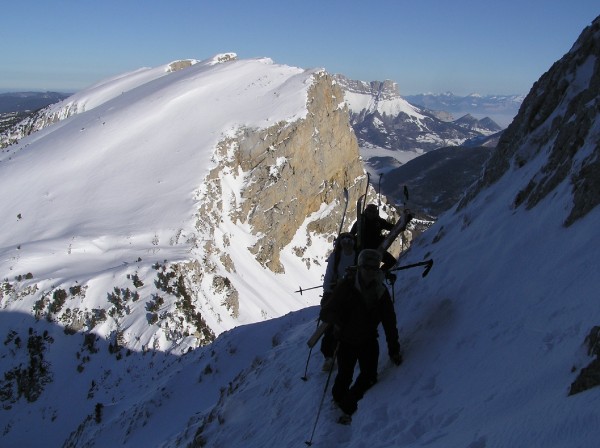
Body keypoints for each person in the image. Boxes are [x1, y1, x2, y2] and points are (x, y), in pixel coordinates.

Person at [320, 249, 403, 419]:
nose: (371, 272)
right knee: (345, 376)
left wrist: (394, 349)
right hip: (347, 340)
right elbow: (326, 312)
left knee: (369, 376)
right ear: (360, 267)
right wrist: (338, 319)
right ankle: (339, 399)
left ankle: (346, 406)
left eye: (374, 268)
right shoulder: (347, 286)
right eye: (367, 268)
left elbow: (389, 321)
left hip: (367, 339)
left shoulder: (380, 291)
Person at [320, 232, 357, 371]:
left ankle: (342, 350)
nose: (347, 242)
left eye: (350, 240)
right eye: (344, 240)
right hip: (335, 292)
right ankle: (329, 356)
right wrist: (328, 296)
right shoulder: (335, 257)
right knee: (330, 324)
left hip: (350, 292)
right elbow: (328, 278)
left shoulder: (357, 256)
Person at [351, 203, 397, 270]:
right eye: (369, 211)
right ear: (366, 211)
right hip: (363, 249)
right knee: (358, 268)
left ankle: (378, 273)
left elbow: (391, 227)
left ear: (376, 213)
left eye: (373, 212)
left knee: (391, 261)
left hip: (375, 250)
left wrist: (403, 223)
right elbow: (351, 234)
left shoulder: (378, 221)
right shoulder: (361, 221)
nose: (371, 213)